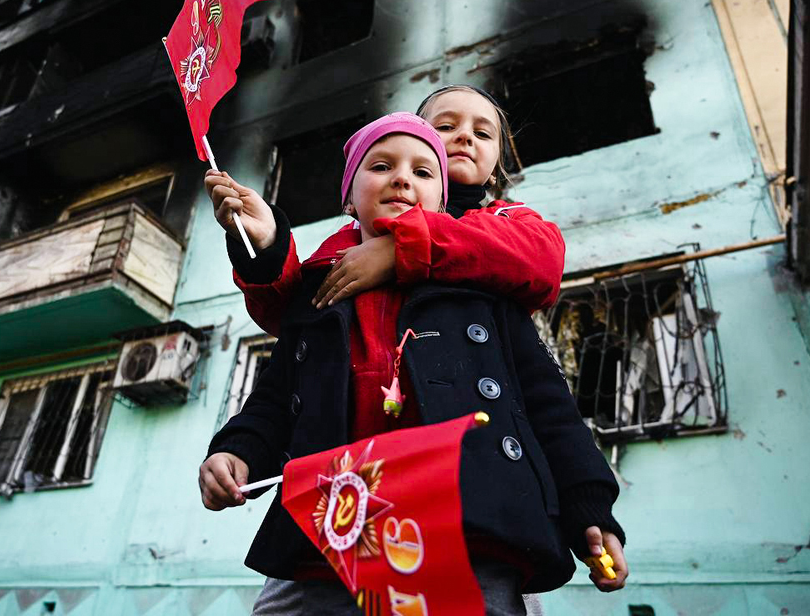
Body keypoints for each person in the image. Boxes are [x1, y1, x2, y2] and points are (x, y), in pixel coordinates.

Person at [199, 113, 628, 615]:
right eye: (382, 166)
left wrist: (589, 507)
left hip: (470, 535)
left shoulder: (483, 290)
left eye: (423, 172)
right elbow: (276, 400)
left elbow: (548, 407)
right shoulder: (318, 295)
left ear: (442, 204)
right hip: (332, 536)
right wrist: (237, 451)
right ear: (347, 199)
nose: (402, 178)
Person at [204, 85, 565, 340]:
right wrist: (267, 247)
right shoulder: (354, 238)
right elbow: (297, 322)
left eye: (483, 134)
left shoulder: (507, 220)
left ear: (496, 167)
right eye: (446, 126)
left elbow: (544, 261)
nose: (466, 137)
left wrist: (400, 249)